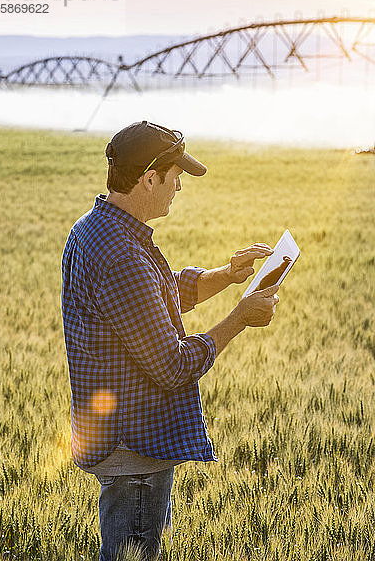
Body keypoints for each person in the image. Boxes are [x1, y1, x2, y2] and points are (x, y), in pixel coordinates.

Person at [61, 120, 279, 561]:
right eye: (175, 176)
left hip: (125, 447)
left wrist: (227, 275)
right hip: (135, 452)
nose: (179, 186)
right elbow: (173, 366)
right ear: (148, 179)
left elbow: (153, 300)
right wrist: (240, 317)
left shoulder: (97, 228)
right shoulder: (122, 255)